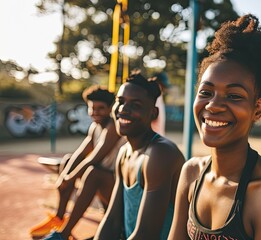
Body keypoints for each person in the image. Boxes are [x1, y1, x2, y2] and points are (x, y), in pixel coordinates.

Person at [169, 14, 261, 240]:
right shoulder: (191, 172)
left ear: (257, 109)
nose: (213, 105)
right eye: (206, 92)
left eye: (233, 95)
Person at [93, 73, 185, 240]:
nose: (123, 109)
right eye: (120, 101)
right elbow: (112, 220)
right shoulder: (124, 153)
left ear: (153, 113)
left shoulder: (160, 154)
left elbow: (146, 235)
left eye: (135, 105)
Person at [29, 85, 126, 239]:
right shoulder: (95, 127)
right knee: (68, 160)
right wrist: (63, 176)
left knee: (93, 173)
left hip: (119, 188)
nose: (95, 112)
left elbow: (96, 157)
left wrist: (70, 178)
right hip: (106, 181)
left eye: (100, 108)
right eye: (92, 108)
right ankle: (59, 218)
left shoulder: (113, 126)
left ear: (110, 109)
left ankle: (63, 234)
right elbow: (80, 154)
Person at [151, 72, 171, 136]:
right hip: (151, 139)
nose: (163, 88)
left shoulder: (159, 96)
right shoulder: (152, 96)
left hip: (157, 137)